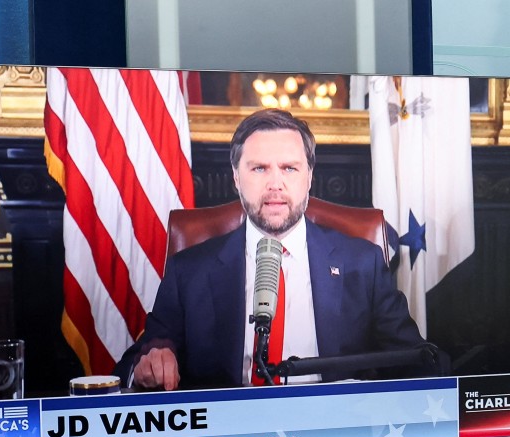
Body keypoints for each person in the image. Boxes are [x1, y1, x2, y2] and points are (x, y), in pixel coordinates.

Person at [115, 108, 425, 390]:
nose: (275, 184)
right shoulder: (190, 271)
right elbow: (136, 361)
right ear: (236, 178)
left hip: (334, 435)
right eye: (259, 169)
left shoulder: (363, 263)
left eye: (289, 168)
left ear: (309, 177)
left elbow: (416, 363)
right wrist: (150, 365)